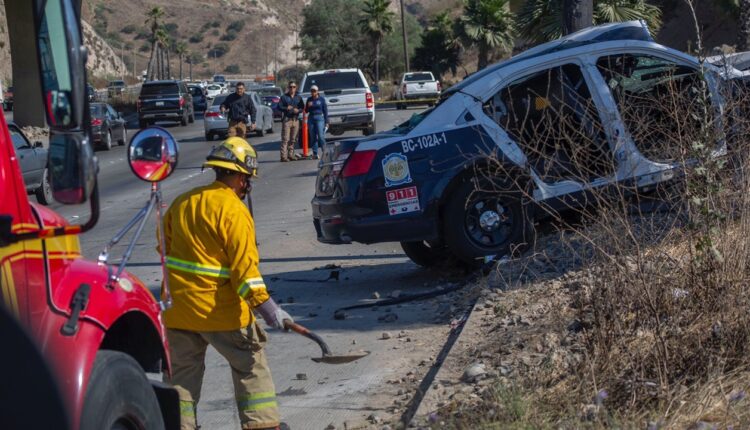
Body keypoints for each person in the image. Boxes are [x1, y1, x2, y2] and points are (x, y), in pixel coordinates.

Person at [160, 137, 292, 430]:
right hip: (221, 313)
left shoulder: (183, 202)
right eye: (247, 179)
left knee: (180, 378)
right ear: (239, 177)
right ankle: (262, 425)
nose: (247, 185)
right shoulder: (233, 211)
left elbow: (163, 251)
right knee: (250, 365)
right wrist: (270, 310)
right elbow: (245, 273)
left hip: (179, 311)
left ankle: (178, 426)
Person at [277, 81, 304, 162]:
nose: (292, 88)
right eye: (291, 87)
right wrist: (286, 108)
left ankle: (291, 155)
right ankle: (283, 157)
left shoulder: (298, 97)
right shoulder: (284, 97)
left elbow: (302, 108)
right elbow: (279, 106)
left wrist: (298, 111)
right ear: (288, 88)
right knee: (285, 139)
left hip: (295, 120)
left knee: (293, 139)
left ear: (296, 88)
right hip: (287, 120)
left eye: (294, 87)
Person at [305, 85, 329, 159]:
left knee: (321, 136)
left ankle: (325, 152)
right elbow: (306, 111)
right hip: (311, 118)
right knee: (312, 136)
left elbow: (325, 111)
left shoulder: (321, 99)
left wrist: (327, 122)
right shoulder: (309, 99)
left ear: (317, 91)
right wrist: (308, 106)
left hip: (319, 117)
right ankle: (315, 153)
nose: (313, 92)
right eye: (312, 91)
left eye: (314, 91)